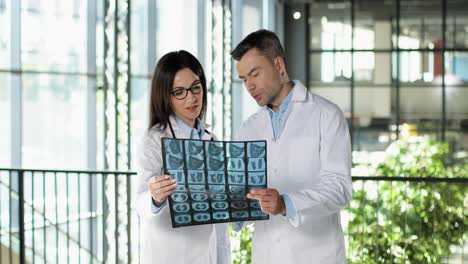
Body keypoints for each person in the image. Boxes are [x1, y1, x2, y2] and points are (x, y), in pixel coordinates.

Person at [231, 29, 352, 263]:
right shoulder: (248, 128)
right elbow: (244, 194)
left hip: (317, 254)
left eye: (254, 74)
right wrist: (228, 206)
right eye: (244, 79)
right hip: (267, 255)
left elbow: (339, 188)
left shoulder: (326, 115)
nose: (250, 86)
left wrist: (286, 204)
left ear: (278, 65)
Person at [134, 50, 231, 264]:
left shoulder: (212, 140)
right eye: (179, 92)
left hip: (208, 254)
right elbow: (140, 203)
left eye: (196, 87)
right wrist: (155, 197)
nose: (192, 98)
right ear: (166, 96)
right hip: (170, 255)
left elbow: (220, 217)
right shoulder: (155, 139)